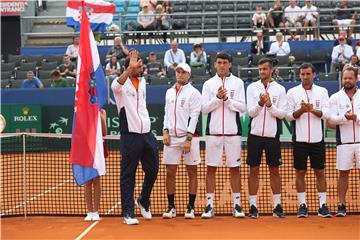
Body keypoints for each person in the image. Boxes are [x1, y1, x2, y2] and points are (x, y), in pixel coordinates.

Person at [111, 50, 159, 225]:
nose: (141, 66)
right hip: (129, 136)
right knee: (128, 175)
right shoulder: (120, 87)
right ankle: (128, 212)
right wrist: (128, 70)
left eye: (140, 64)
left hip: (146, 134)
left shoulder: (144, 81)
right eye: (137, 64)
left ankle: (143, 200)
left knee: (153, 169)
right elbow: (114, 86)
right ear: (129, 67)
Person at [201, 52, 246, 218]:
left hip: (233, 134)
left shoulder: (238, 83)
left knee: (235, 169)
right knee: (210, 169)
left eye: (225, 62)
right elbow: (204, 109)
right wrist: (217, 98)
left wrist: (227, 100)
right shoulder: (208, 84)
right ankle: (209, 206)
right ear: (214, 64)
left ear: (230, 65)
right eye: (219, 62)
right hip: (213, 134)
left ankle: (237, 205)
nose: (221, 65)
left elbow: (243, 108)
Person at [286, 63, 331, 218]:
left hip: (318, 140)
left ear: (314, 75)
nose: (305, 77)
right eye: (302, 74)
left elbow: (326, 114)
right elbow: (289, 116)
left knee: (320, 172)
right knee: (300, 172)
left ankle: (322, 205)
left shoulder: (323, 91)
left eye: (308, 74)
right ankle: (302, 205)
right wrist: (302, 110)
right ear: (300, 75)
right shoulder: (292, 92)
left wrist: (312, 110)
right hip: (299, 140)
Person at [246, 58, 287, 218]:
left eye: (264, 69)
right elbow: (250, 112)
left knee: (275, 170)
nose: (262, 72)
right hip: (254, 135)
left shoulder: (280, 89)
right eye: (260, 69)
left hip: (272, 136)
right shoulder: (251, 88)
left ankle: (277, 206)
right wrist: (260, 103)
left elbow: (282, 114)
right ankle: (253, 205)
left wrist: (270, 105)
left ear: (271, 71)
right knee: (253, 170)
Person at [162, 63, 201, 219]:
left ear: (189, 75)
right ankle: (171, 207)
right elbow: (166, 114)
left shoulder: (194, 93)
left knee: (192, 171)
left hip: (188, 138)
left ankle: (190, 207)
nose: (180, 74)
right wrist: (165, 131)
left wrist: (189, 138)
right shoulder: (169, 92)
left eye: (183, 72)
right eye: (178, 71)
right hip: (171, 138)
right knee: (170, 172)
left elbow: (195, 116)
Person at [327, 67, 360, 217]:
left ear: (356, 79)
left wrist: (356, 118)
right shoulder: (335, 97)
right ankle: (341, 204)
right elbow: (330, 121)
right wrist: (344, 118)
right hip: (343, 142)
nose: (347, 81)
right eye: (345, 78)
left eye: (350, 78)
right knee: (343, 174)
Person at [84, 109, 107, 221]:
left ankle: (96, 211)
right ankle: (89, 212)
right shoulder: (82, 111)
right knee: (88, 181)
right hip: (86, 147)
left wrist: (100, 116)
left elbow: (104, 132)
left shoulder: (102, 111)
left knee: (96, 180)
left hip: (98, 148)